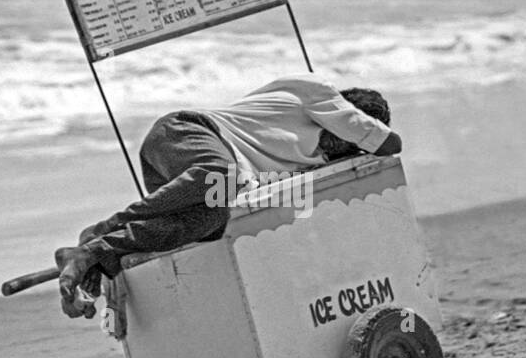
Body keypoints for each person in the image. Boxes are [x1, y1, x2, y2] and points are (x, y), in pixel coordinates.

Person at [55, 75, 402, 318]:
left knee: (213, 221)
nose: (335, 147)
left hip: (198, 180)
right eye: (345, 136)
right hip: (185, 134)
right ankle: (102, 230)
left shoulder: (309, 163)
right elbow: (390, 145)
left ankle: (96, 253)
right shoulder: (317, 94)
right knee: (224, 175)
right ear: (349, 118)